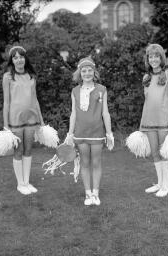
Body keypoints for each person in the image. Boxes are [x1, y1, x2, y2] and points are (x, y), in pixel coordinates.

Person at [65, 56, 114, 206]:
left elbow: (105, 112)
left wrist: (109, 133)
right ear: (80, 73)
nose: (87, 73)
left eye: (90, 70)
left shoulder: (102, 89)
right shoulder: (74, 91)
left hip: (97, 133)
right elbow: (73, 113)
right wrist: (70, 133)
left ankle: (95, 193)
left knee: (97, 162)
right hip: (80, 133)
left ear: (94, 71)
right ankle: (87, 194)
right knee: (85, 163)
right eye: (84, 71)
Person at [2, 45, 44, 195]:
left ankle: (27, 182)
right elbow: (6, 102)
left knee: (28, 149)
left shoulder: (32, 76)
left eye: (21, 56)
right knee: (18, 150)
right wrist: (6, 125)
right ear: (12, 60)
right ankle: (20, 184)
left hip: (31, 119)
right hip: (15, 120)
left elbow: (35, 99)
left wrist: (41, 121)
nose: (19, 60)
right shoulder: (7, 77)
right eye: (15, 57)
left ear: (25, 59)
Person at [140, 44, 168, 197]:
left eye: (156, 56)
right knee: (155, 153)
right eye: (151, 56)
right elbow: (147, 102)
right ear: (148, 59)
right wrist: (142, 124)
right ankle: (160, 183)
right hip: (148, 122)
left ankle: (166, 185)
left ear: (161, 58)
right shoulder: (146, 78)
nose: (153, 59)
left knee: (165, 153)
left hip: (164, 122)